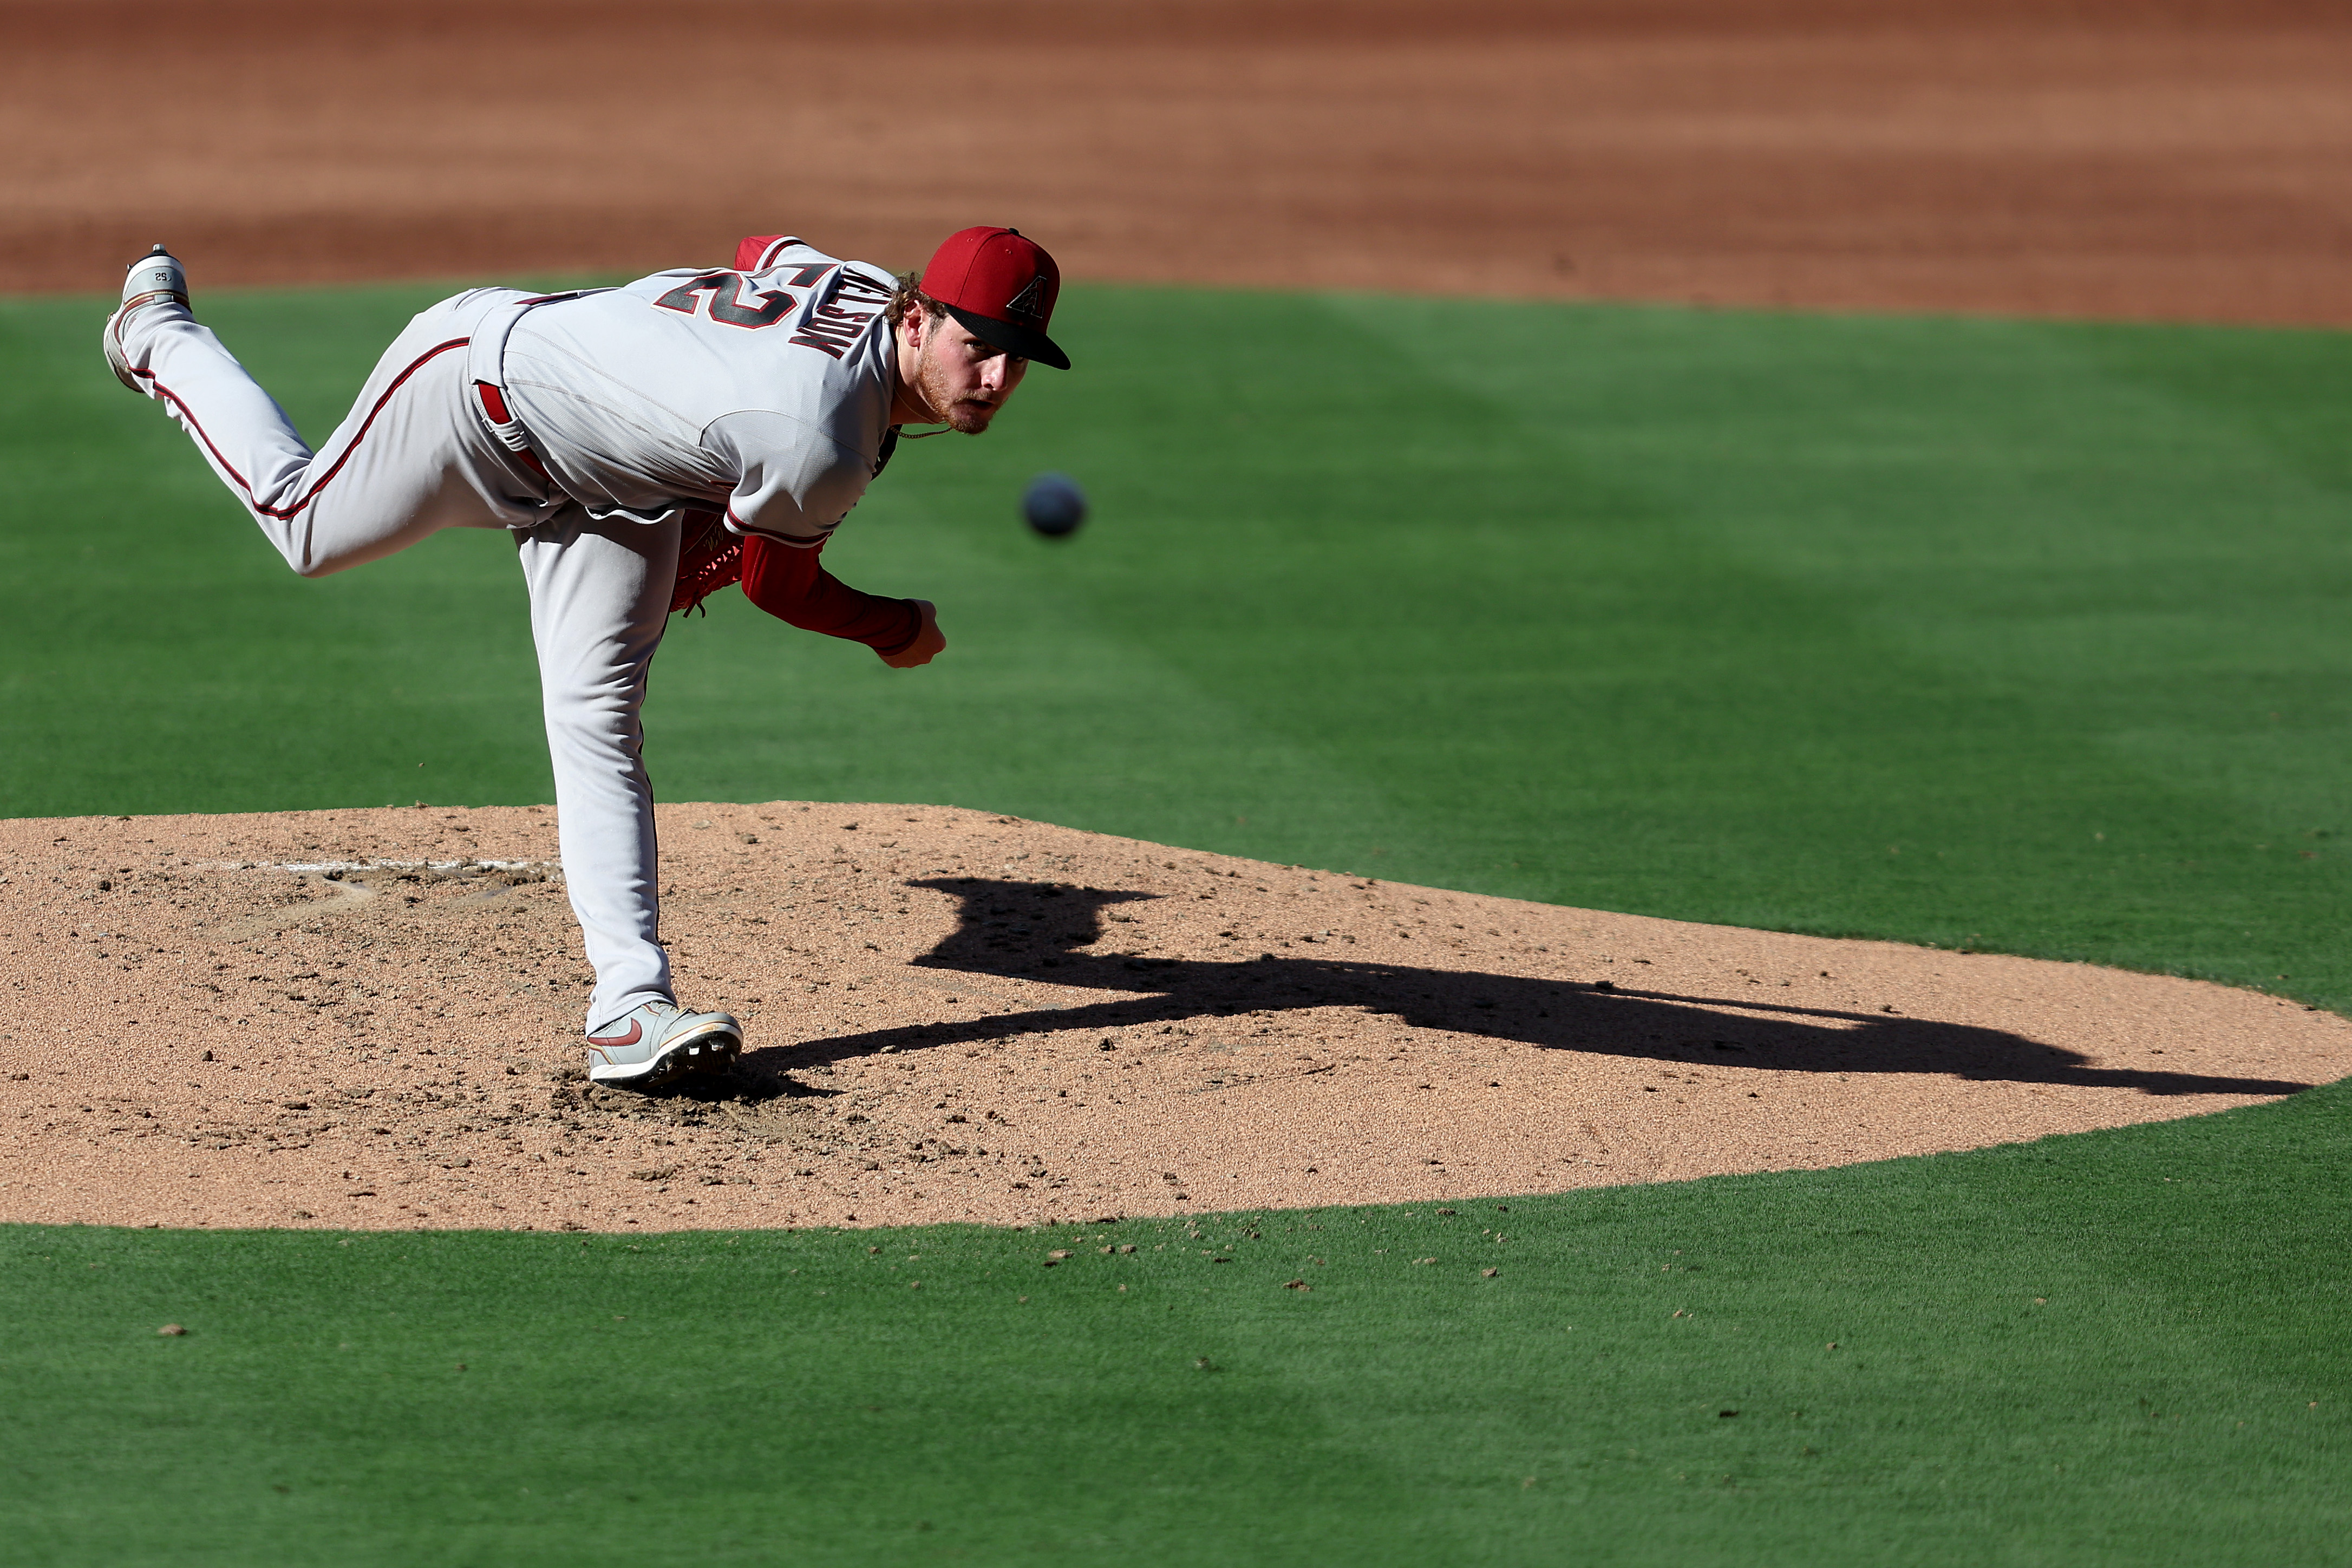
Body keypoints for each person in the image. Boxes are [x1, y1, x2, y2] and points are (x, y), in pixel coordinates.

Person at [101, 226, 1070, 1087]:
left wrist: (681, 387)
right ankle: (154, 331)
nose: (991, 379)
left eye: (1015, 361)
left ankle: (629, 1010)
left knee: (599, 718)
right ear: (914, 317)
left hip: (615, 488)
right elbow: (783, 587)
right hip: (477, 392)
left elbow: (763, 251)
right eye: (975, 346)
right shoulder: (817, 440)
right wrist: (897, 628)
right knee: (303, 525)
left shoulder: (854, 285)